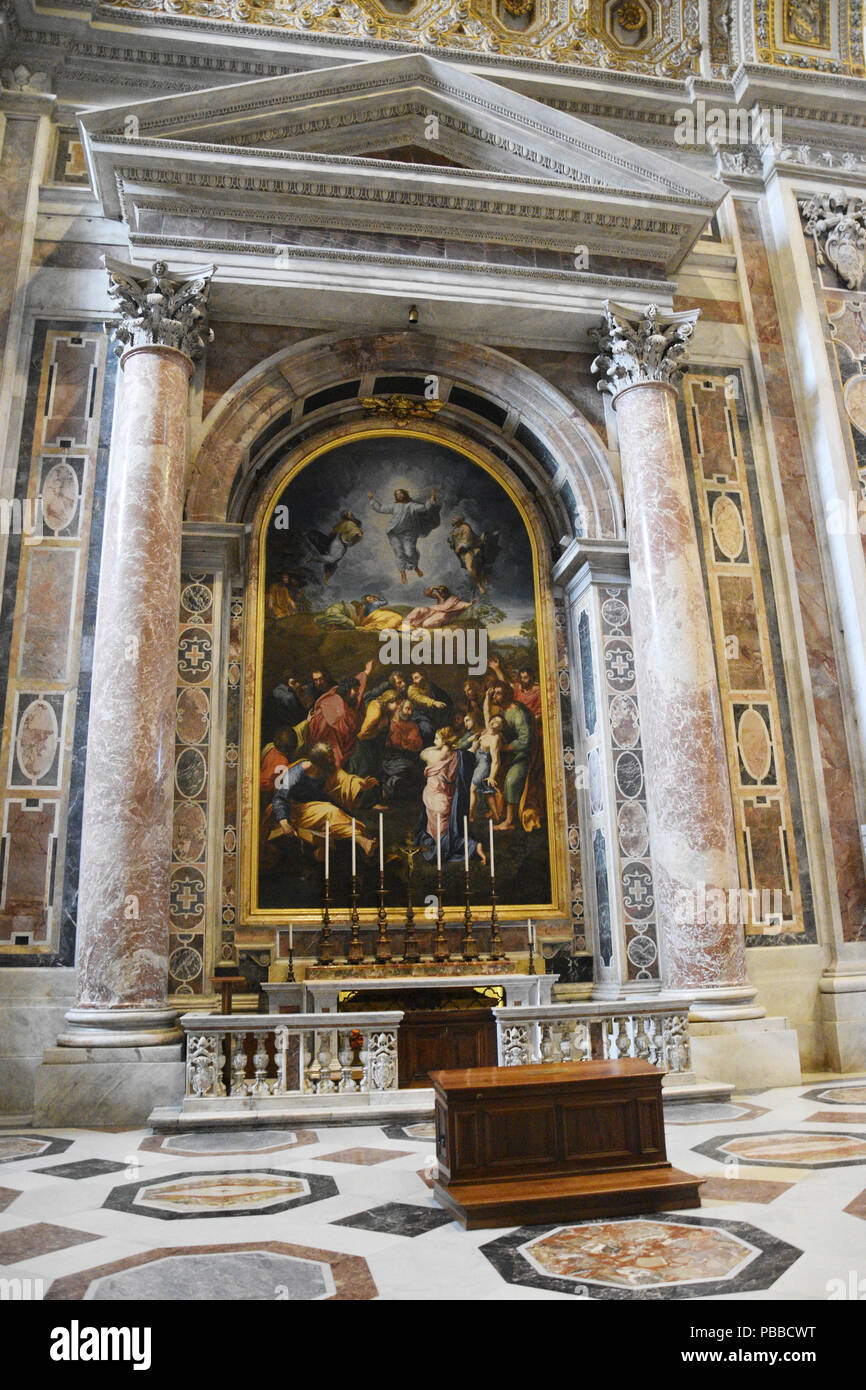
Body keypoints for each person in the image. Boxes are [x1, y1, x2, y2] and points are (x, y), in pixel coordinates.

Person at [270, 742, 378, 858]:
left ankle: (365, 845)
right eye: (329, 757)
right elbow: (280, 798)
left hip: (317, 807)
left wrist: (360, 787)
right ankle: (362, 842)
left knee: (350, 820)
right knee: (331, 812)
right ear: (319, 761)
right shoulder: (296, 774)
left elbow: (345, 781)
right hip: (297, 812)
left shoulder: (327, 769)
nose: (333, 760)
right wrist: (284, 823)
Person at [417, 726, 485, 865]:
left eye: (437, 738)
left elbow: (422, 754)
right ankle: (470, 846)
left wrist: (440, 747)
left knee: (440, 833)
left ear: (444, 740)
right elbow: (469, 754)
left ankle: (469, 846)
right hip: (446, 797)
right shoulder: (457, 756)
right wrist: (473, 745)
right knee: (444, 830)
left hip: (434, 797)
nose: (434, 740)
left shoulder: (433, 754)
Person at [307, 660, 373, 767]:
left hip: (343, 741)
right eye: (316, 680)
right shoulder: (332, 702)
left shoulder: (348, 697)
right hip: (329, 739)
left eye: (321, 679)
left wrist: (366, 672)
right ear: (347, 690)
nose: (358, 692)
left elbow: (358, 688)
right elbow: (340, 725)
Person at [368, 487, 441, 583]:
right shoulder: (394, 506)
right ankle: (403, 573)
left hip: (409, 534)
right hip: (394, 533)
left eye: (400, 493)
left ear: (405, 494)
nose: (399, 495)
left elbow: (425, 508)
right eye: (397, 494)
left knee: (410, 552)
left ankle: (415, 567)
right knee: (399, 552)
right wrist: (372, 499)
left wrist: (432, 498)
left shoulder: (412, 505)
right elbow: (381, 508)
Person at [381, 700, 424, 802]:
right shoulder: (392, 724)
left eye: (411, 709)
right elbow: (395, 743)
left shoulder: (413, 725)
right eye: (407, 709)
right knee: (404, 769)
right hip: (392, 757)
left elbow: (417, 744)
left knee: (414, 771)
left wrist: (405, 744)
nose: (409, 712)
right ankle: (388, 791)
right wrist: (406, 743)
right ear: (400, 709)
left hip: (409, 756)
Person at [448, 514, 500, 592]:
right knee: (470, 568)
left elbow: (467, 541)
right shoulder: (454, 529)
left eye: (455, 519)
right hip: (462, 553)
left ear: (459, 521)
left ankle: (480, 586)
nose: (453, 520)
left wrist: (459, 546)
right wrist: (451, 543)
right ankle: (482, 579)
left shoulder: (465, 527)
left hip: (471, 549)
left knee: (470, 568)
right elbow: (453, 540)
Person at [405, 585, 470, 630]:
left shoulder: (453, 598)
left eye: (442, 592)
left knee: (426, 624)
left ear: (446, 592)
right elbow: (427, 594)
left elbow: (462, 604)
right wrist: (432, 588)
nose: (441, 594)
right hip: (432, 611)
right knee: (419, 609)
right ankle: (405, 624)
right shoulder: (439, 596)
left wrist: (470, 604)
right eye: (439, 592)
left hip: (443, 615)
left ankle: (418, 626)